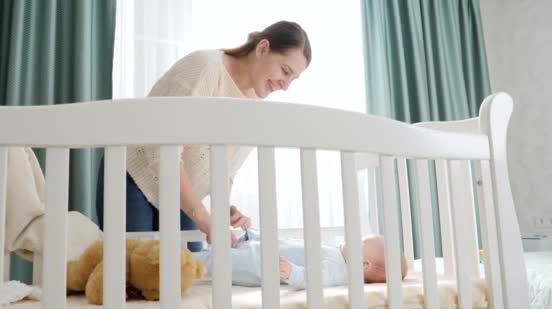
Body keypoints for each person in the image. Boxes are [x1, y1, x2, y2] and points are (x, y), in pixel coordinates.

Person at [96, 21, 311, 252]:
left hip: (179, 197)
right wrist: (202, 217)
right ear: (262, 49)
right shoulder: (205, 67)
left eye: (293, 79)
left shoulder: (253, 107)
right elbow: (162, 151)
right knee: (135, 275)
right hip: (135, 177)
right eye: (285, 71)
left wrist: (221, 210)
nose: (285, 85)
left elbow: (225, 169)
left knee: (191, 274)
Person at [192, 230, 408, 289]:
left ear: (364, 264)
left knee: (209, 261)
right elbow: (289, 243)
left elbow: (314, 278)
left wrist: (292, 273)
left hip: (258, 266)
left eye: (361, 241)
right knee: (210, 258)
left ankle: (167, 261)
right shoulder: (336, 253)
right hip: (259, 250)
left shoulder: (340, 270)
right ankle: (168, 258)